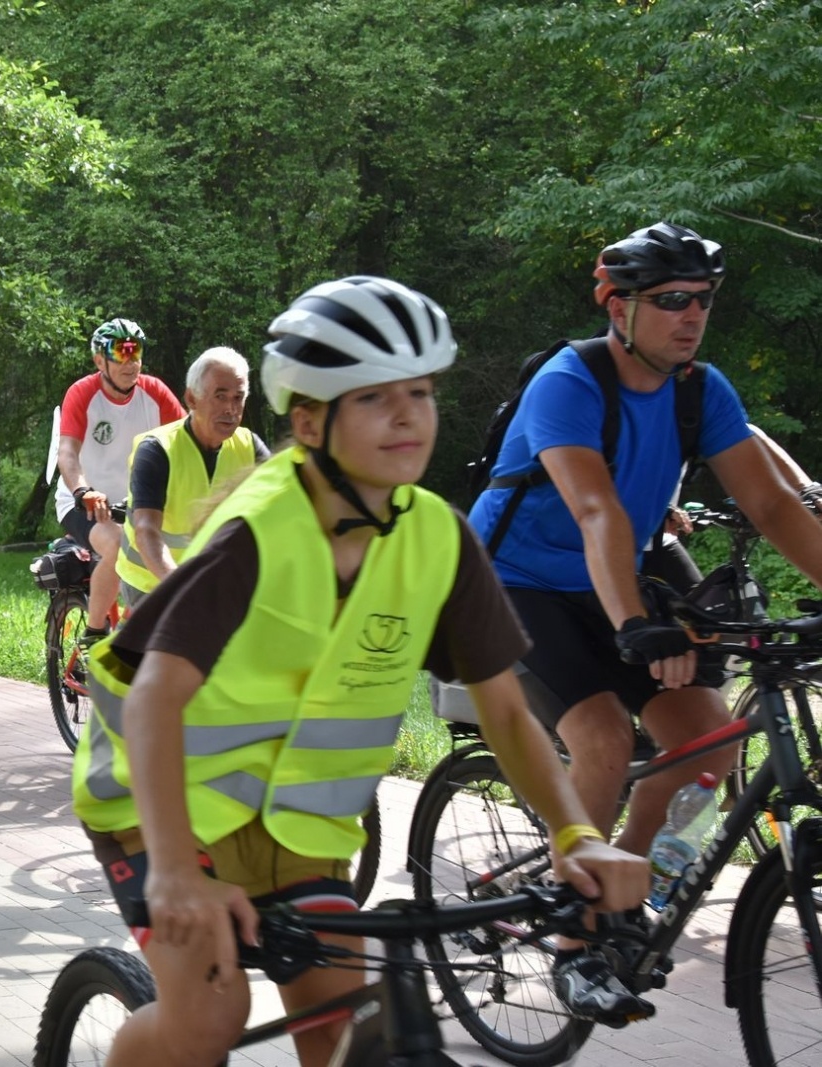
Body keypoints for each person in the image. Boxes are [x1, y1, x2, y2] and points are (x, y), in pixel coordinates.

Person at [71, 276, 650, 1067]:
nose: (408, 414)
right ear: (310, 421)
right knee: (208, 1014)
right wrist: (174, 870)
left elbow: (507, 712)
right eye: (374, 396)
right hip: (159, 804)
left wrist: (575, 834)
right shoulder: (258, 533)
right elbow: (153, 702)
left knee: (342, 1022)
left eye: (420, 391)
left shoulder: (437, 538)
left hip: (301, 831)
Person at [468, 221, 822, 1021]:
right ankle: (574, 943)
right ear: (617, 306)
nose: (691, 315)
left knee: (713, 741)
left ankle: (625, 884)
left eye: (702, 299)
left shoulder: (702, 390)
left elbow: (771, 503)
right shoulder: (568, 382)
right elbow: (595, 509)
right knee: (601, 737)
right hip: (520, 579)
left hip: (620, 571)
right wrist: (637, 622)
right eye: (670, 300)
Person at [55, 318, 184, 640]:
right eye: (120, 353)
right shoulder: (83, 393)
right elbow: (67, 453)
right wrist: (83, 490)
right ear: (100, 360)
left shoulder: (155, 393)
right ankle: (94, 632)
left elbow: (188, 442)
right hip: (83, 504)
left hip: (137, 503)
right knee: (117, 544)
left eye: (135, 352)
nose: (131, 362)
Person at [115, 346, 268, 608]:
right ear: (191, 399)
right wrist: (180, 587)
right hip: (150, 581)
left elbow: (284, 497)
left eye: (238, 397)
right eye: (220, 396)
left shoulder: (249, 446)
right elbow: (146, 530)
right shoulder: (157, 449)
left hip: (209, 581)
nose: (231, 408)